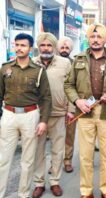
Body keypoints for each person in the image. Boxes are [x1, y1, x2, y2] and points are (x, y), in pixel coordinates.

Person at [64, 23, 106, 198]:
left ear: (105, 39)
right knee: (86, 156)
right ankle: (86, 191)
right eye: (92, 37)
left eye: (99, 36)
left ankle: (105, 189)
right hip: (85, 112)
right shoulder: (78, 59)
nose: (95, 39)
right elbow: (69, 85)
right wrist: (78, 101)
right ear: (88, 38)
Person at [0, 33, 51, 198]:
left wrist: (43, 121)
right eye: (17, 45)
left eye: (23, 45)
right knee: (3, 159)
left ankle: (23, 194)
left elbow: (46, 97)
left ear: (30, 48)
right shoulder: (5, 68)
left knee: (27, 160)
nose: (19, 48)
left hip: (30, 115)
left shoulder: (38, 71)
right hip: (9, 115)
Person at [32, 32, 72, 198]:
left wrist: (70, 109)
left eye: (49, 45)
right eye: (43, 45)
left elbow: (71, 87)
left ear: (54, 47)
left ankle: (55, 181)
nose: (46, 48)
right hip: (37, 115)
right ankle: (39, 183)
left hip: (58, 113)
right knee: (38, 150)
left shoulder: (65, 63)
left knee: (58, 150)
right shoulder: (32, 63)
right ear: (38, 47)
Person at [57, 36, 76, 173]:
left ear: (71, 49)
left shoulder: (75, 64)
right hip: (54, 107)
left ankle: (68, 161)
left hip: (70, 106)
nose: (64, 50)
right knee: (55, 138)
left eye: (67, 48)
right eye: (62, 47)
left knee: (69, 136)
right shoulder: (51, 62)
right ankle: (55, 163)